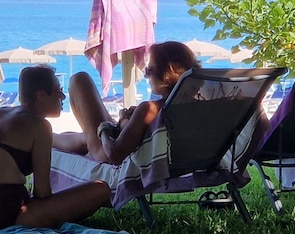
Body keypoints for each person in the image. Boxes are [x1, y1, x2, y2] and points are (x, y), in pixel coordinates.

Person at [0, 66, 111, 230]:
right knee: (101, 189)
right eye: (59, 91)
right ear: (41, 95)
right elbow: (42, 193)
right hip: (0, 213)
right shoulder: (40, 125)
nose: (63, 97)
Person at [53, 41, 202, 165]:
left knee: (79, 80)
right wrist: (129, 120)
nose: (146, 74)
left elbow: (115, 155)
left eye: (149, 69)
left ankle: (46, 137)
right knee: (82, 138)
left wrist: (104, 130)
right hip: (165, 159)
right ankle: (48, 137)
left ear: (168, 72)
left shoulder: (150, 109)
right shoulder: (198, 108)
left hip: (105, 155)